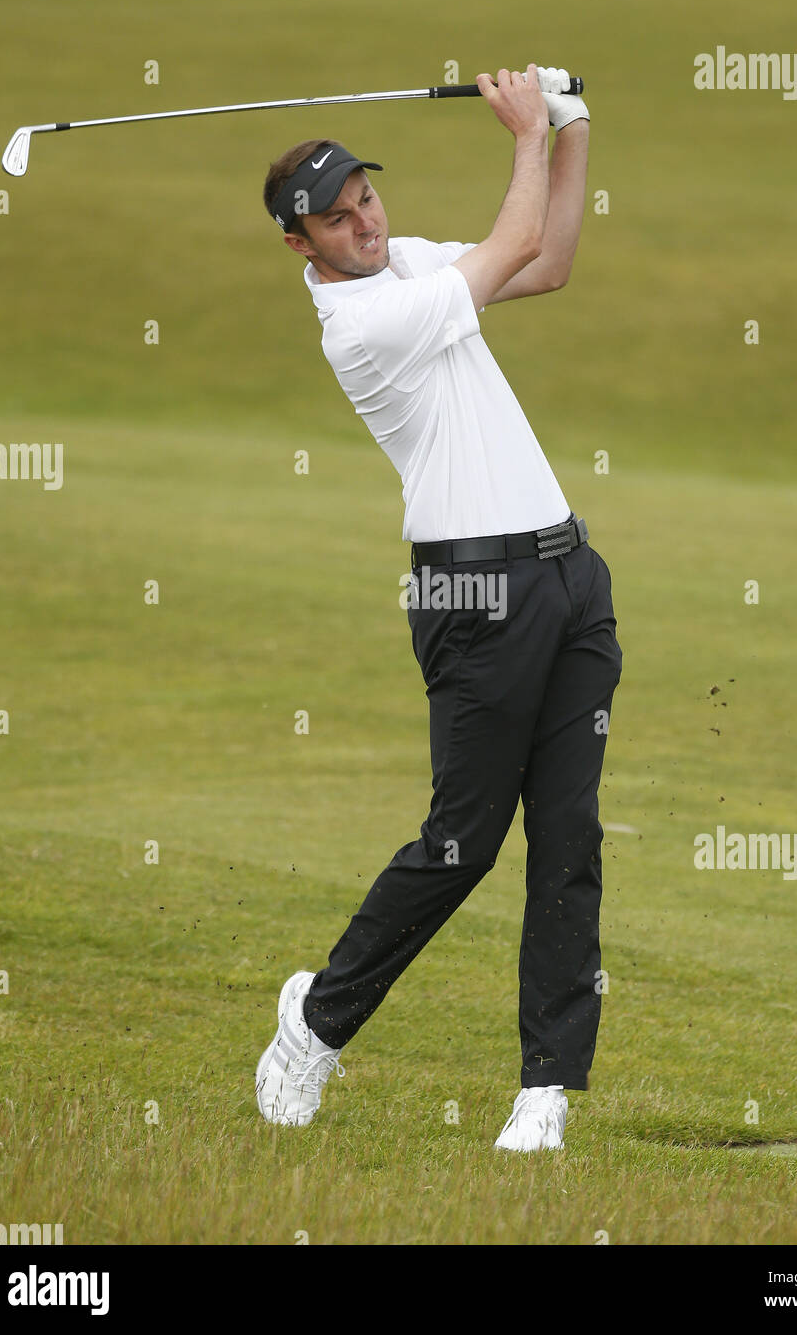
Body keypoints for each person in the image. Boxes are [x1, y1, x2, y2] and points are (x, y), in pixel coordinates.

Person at [255, 64, 622, 1151]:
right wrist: (521, 134)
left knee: (568, 836)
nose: (364, 221)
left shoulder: (405, 262)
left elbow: (545, 264)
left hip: (568, 573)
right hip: (473, 589)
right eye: (337, 217)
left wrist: (571, 123)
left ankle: (544, 1090)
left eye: (364, 197)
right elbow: (508, 248)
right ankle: (314, 1026)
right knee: (463, 843)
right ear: (300, 245)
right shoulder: (358, 328)